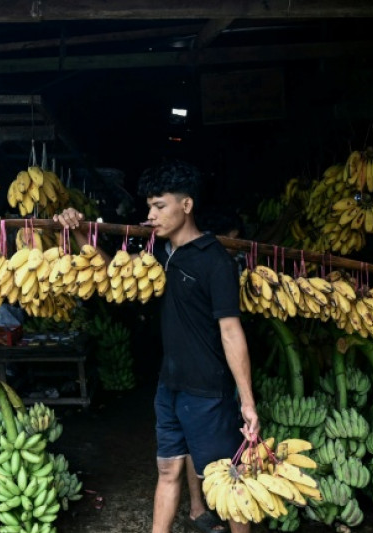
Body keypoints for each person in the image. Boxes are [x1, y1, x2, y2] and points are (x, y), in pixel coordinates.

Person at [55, 159, 259, 533]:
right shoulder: (161, 255)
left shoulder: (216, 261)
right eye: (149, 206)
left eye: (159, 205)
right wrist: (80, 230)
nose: (150, 214)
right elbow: (106, 271)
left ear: (186, 205)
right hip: (170, 385)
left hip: (207, 390)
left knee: (228, 482)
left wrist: (246, 400)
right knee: (167, 470)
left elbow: (231, 332)